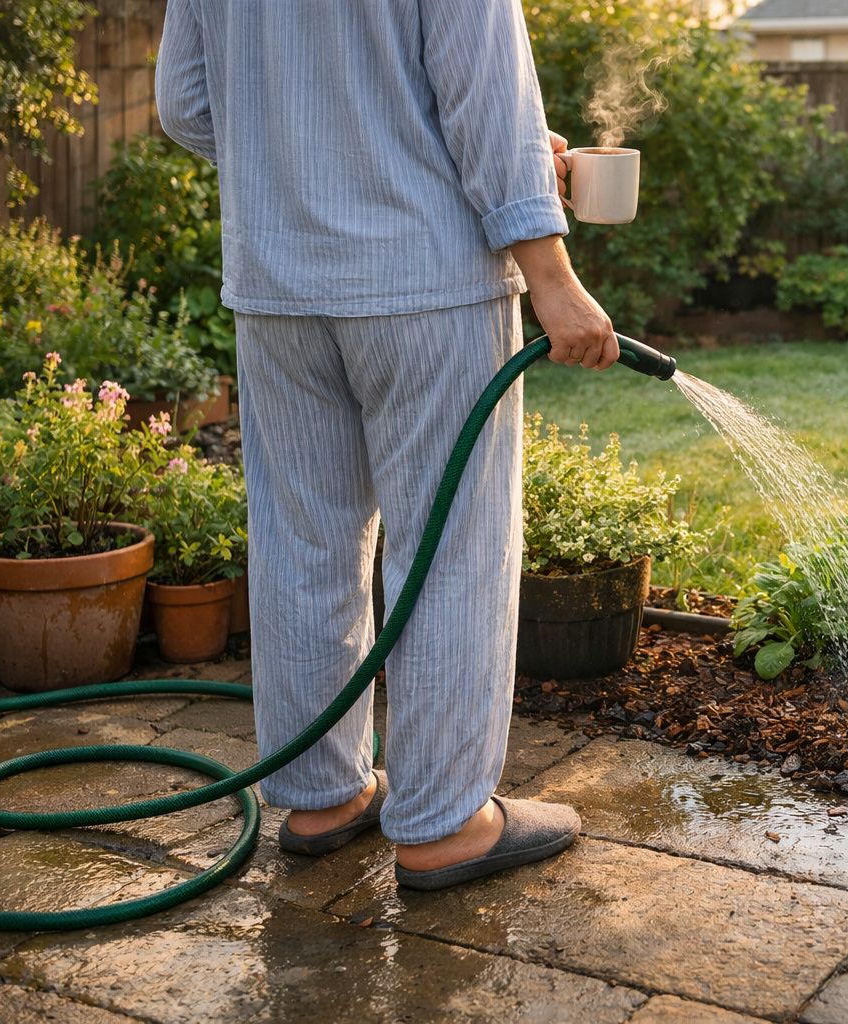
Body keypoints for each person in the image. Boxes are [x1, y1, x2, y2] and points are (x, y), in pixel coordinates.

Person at [156, 0, 614, 889]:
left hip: (278, 284)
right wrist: (553, 281)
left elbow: (185, 105)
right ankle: (446, 822)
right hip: (424, 281)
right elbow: (488, 105)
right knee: (451, 549)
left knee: (302, 542)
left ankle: (323, 796)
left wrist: (303, 162)